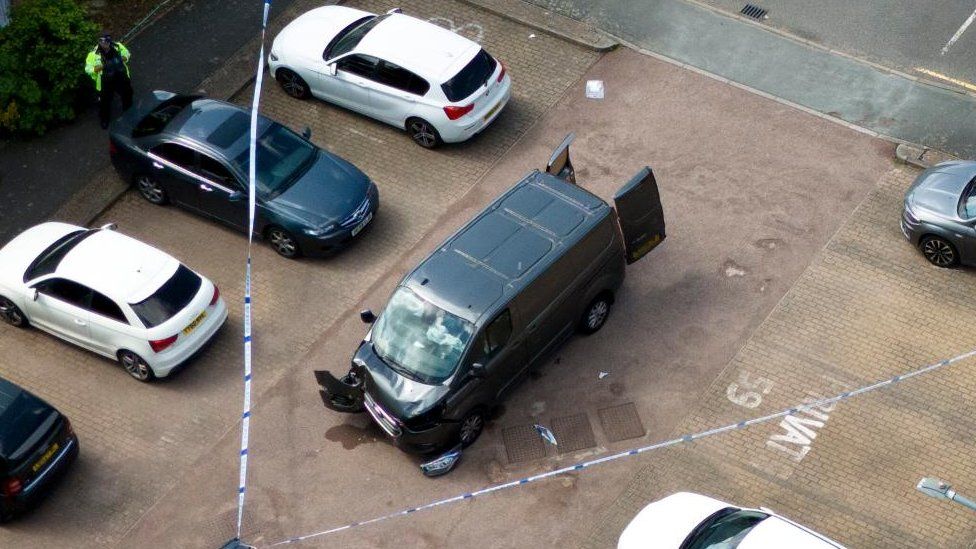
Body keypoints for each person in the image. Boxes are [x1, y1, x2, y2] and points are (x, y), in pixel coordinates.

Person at [85, 32, 133, 129]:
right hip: (105, 81)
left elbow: (127, 54)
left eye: (106, 41)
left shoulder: (118, 47)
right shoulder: (93, 54)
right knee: (104, 102)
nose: (104, 43)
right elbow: (88, 69)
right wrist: (100, 67)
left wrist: (121, 59)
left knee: (127, 95)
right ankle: (104, 119)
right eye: (101, 41)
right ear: (99, 41)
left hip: (120, 77)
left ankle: (129, 114)